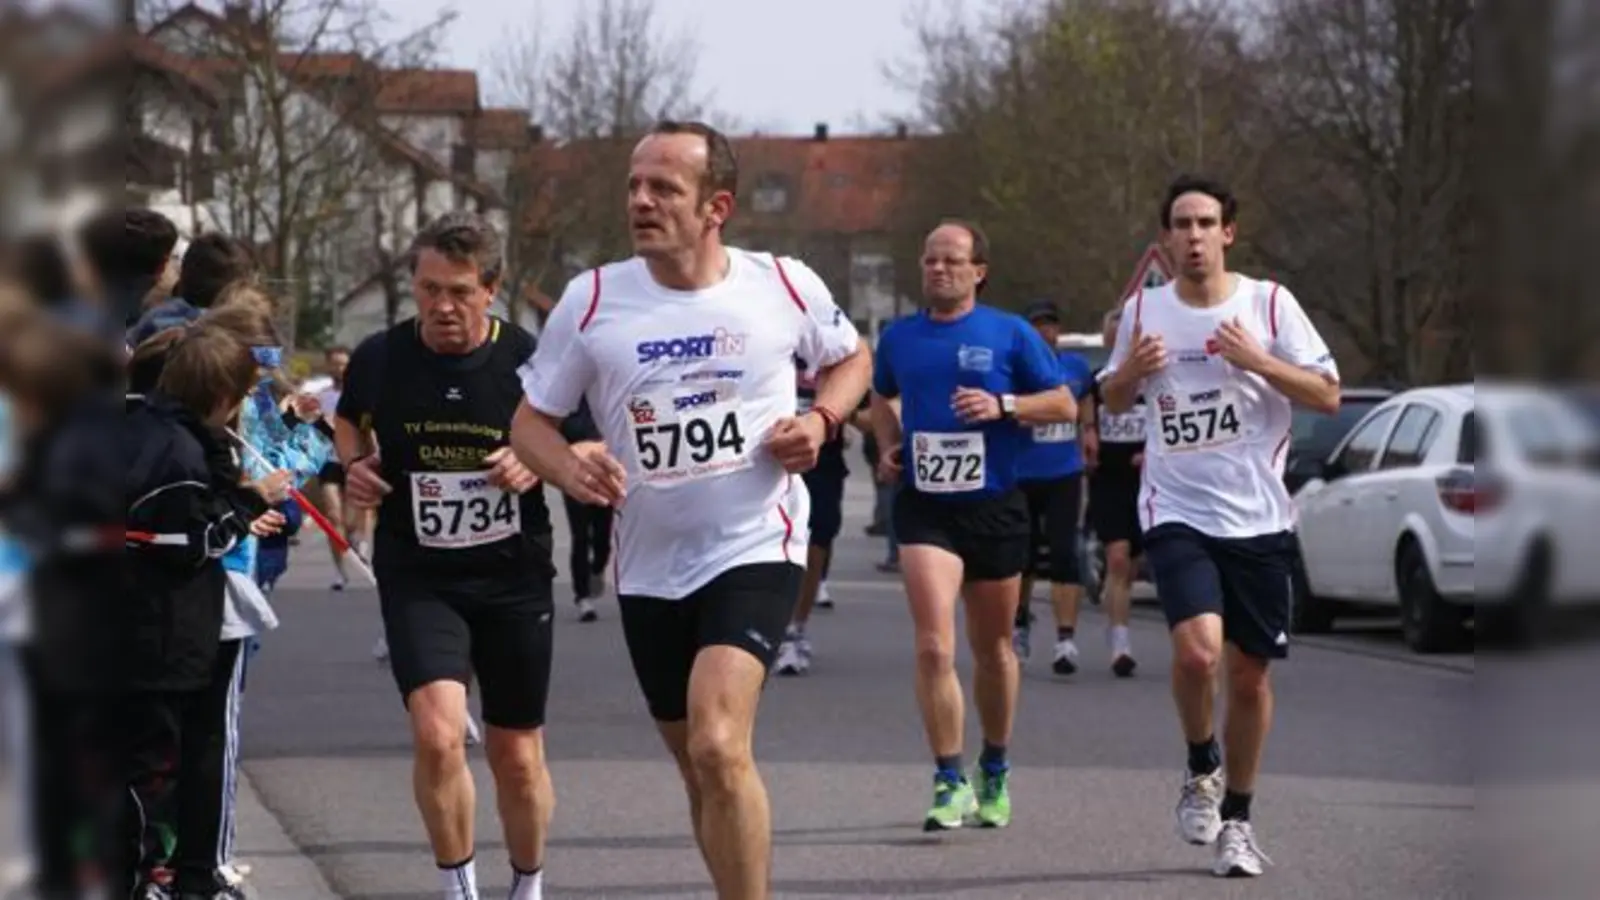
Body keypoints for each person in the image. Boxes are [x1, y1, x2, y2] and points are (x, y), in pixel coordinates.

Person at [509, 120, 871, 900]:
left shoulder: (782, 283)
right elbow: (528, 422)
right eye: (635, 185)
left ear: (717, 206)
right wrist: (567, 466)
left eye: (664, 187)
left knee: (716, 743)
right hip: (646, 567)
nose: (641, 200)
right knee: (698, 764)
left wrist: (821, 421)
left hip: (755, 544)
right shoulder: (593, 299)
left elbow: (849, 359)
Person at [1099, 175, 1339, 878]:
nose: (1195, 235)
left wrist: (1257, 360)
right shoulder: (1145, 311)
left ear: (1228, 232)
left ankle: (1237, 816)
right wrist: (1131, 373)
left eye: (1207, 223)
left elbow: (1326, 393)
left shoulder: (1269, 303)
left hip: (1260, 516)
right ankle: (1201, 761)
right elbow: (1109, 397)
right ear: (1166, 238)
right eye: (1182, 224)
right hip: (1177, 508)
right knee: (1200, 654)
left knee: (1250, 676)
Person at [334, 211, 555, 900]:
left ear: (491, 289)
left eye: (459, 291)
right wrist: (355, 467)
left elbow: (585, 443)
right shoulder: (381, 356)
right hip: (419, 572)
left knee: (516, 756)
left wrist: (536, 462)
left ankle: (527, 881)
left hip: (513, 576)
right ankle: (459, 886)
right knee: (436, 735)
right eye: (429, 289)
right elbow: (347, 423)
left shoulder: (530, 359)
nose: (442, 307)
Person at [870, 220, 1076, 831]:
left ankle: (995, 765)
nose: (938, 269)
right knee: (934, 644)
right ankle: (947, 776)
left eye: (952, 260)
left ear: (978, 270)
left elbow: (1063, 403)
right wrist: (887, 444)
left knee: (994, 651)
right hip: (925, 504)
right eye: (930, 259)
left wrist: (1004, 406)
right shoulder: (899, 338)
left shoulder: (1010, 333)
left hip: (994, 506)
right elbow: (881, 397)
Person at [123, 321, 289, 900]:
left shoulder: (154, 431)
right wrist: (250, 500)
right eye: (242, 394)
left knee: (153, 758)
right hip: (169, 629)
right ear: (219, 395)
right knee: (168, 761)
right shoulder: (179, 452)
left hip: (148, 624)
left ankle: (163, 872)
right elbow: (187, 541)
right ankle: (165, 875)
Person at [1009, 300, 1098, 675]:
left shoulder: (1074, 366)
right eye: (1038, 325)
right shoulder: (1016, 369)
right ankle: (1019, 625)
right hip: (1022, 474)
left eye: (1051, 324)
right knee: (1022, 557)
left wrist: (1090, 432)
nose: (1046, 331)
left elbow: (1086, 397)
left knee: (1065, 552)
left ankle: (1066, 639)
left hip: (1065, 473)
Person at [773, 359, 870, 676]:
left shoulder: (837, 353)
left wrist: (843, 410)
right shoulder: (769, 338)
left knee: (815, 546)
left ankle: (794, 629)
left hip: (822, 465)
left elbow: (868, 415)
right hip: (767, 462)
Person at [1084, 306, 1144, 677]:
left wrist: (1152, 451)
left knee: (1132, 566)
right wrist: (1086, 439)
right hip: (1109, 479)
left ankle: (1119, 619)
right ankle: (1120, 643)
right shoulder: (1096, 382)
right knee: (1118, 558)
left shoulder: (1153, 378)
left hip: (1150, 481)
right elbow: (1085, 425)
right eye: (1113, 331)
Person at [557, 397, 610, 622]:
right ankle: (583, 597)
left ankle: (597, 568)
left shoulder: (603, 393)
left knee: (603, 539)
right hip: (575, 475)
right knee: (580, 537)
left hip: (605, 473)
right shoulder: (566, 399)